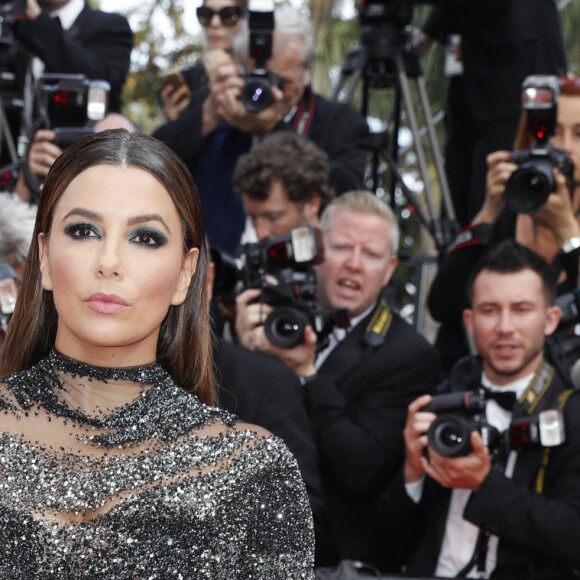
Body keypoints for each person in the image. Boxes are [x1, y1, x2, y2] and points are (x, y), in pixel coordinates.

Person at [0, 129, 314, 576]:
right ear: (46, 257)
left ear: (186, 274)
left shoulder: (251, 473)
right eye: (84, 230)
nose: (109, 261)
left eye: (145, 237)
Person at [236, 190, 440, 570]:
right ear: (316, 252)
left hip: (330, 559)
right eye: (342, 247)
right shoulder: (277, 315)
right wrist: (247, 354)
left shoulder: (409, 356)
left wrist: (306, 374)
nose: (355, 264)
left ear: (390, 268)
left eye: (371, 254)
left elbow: (359, 469)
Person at [380, 240, 580, 578]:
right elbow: (385, 542)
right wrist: (412, 474)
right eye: (490, 310)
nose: (504, 327)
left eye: (521, 309)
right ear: (470, 321)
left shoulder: (571, 412)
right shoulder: (442, 402)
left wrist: (484, 484)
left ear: (550, 320)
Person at [153, 5, 369, 254]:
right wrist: (208, 116)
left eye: (282, 82)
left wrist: (275, 130)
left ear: (305, 71)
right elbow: (152, 162)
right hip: (212, 271)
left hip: (295, 275)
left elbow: (345, 196)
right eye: (255, 77)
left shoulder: (337, 121)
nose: (264, 91)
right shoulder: (217, 104)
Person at [428, 77, 580, 373]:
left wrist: (568, 234)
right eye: (552, 132)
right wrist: (486, 213)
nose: (564, 147)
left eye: (579, 134)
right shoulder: (507, 213)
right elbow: (442, 305)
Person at [418, 0, 566, 226]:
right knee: (460, 193)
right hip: (471, 70)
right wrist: (429, 30)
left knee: (506, 186)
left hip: (515, 68)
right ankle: (461, 252)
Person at [4, 0, 133, 154]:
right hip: (17, 168)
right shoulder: (12, 26)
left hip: (82, 163)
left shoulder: (111, 26)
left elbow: (100, 76)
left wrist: (38, 21)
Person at [13, 112, 139, 203]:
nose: (112, 158)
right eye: (100, 145)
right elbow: (11, 234)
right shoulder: (62, 190)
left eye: (123, 145)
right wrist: (26, 183)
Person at [233, 131, 333, 241]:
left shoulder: (349, 255)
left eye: (273, 218)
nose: (260, 233)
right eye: (252, 218)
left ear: (312, 203)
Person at [159, 0, 247, 121]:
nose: (215, 23)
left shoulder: (262, 74)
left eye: (228, 15)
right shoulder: (187, 81)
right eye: (206, 14)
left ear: (245, 19)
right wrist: (173, 124)